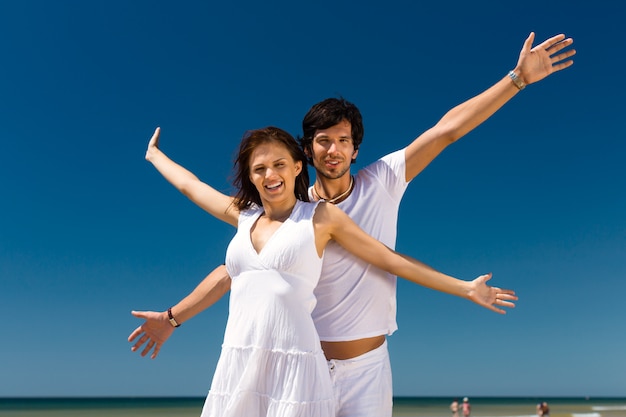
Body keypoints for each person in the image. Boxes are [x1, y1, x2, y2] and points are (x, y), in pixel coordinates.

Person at [129, 32, 575, 416]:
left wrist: (516, 80)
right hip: (300, 368)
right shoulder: (291, 207)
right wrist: (173, 316)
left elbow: (445, 132)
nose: (334, 150)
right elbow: (233, 265)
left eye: (343, 141)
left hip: (366, 367)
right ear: (307, 152)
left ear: (356, 149)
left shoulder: (382, 181)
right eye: (323, 142)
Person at [136, 126, 516, 417]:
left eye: (279, 164)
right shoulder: (243, 217)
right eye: (260, 168)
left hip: (296, 362)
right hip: (241, 358)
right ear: (251, 177)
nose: (271, 174)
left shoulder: (319, 218)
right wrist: (154, 156)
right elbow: (191, 187)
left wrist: (464, 288)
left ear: (299, 165)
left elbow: (389, 259)